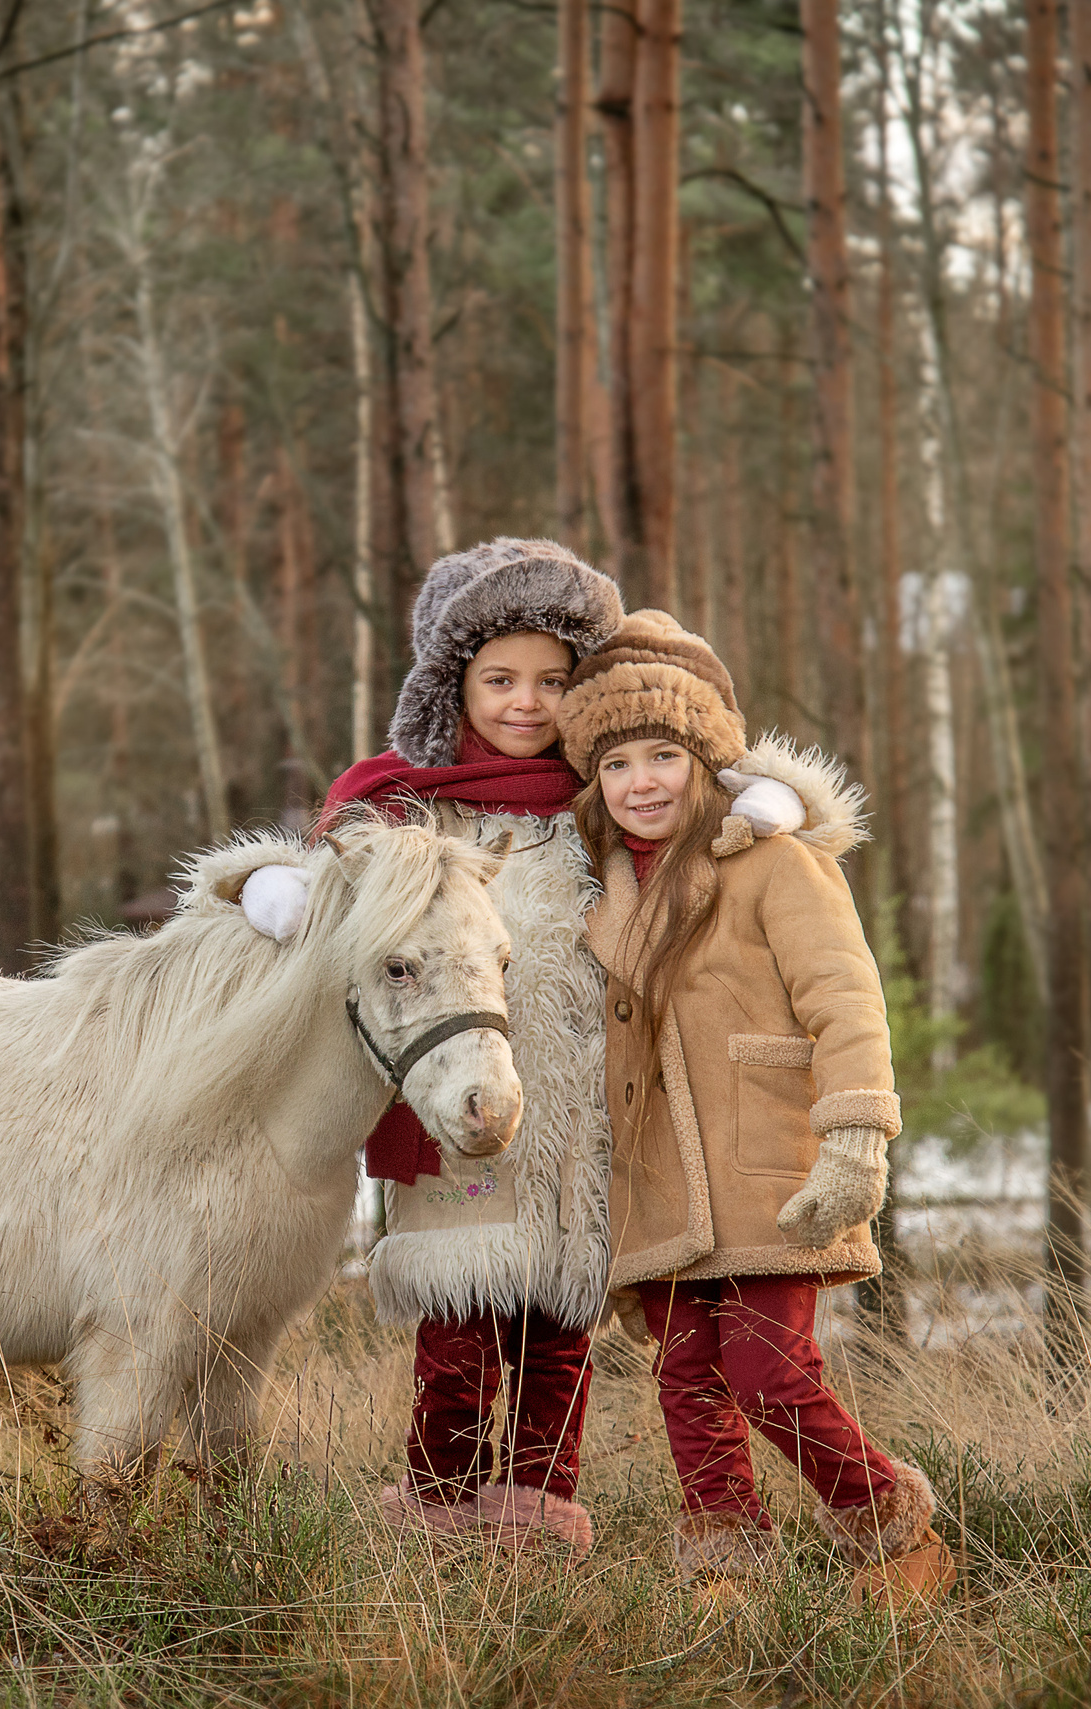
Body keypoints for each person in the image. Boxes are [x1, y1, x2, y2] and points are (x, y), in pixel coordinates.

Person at [239, 543, 801, 1557]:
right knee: (460, 1324)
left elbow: (702, 781)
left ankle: (539, 1506)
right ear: (454, 681)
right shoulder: (419, 801)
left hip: (585, 1107)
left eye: (552, 681)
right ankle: (440, 1496)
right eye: (499, 679)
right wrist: (268, 883)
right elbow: (335, 863)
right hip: (458, 1104)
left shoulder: (601, 799)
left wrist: (767, 803)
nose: (525, 703)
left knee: (556, 1330)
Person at [551, 608, 957, 1605]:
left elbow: (844, 997)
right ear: (593, 780)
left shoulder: (773, 859)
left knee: (768, 1374)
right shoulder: (594, 891)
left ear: (704, 756)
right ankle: (726, 1568)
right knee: (688, 1385)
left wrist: (855, 1131)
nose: (640, 781)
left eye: (661, 753)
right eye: (615, 764)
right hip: (658, 1183)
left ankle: (891, 1525)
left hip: (768, 1162)